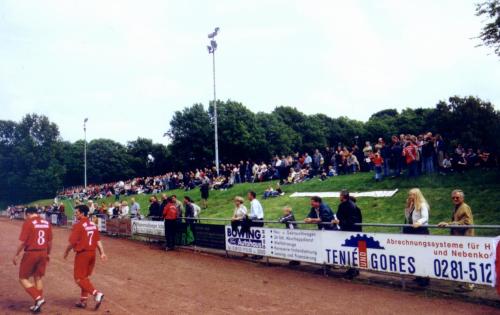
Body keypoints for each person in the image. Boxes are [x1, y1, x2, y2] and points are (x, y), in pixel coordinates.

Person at [63, 205, 106, 310]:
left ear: (82, 213)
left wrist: (66, 252)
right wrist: (102, 253)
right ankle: (83, 300)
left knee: (78, 278)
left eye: (77, 212)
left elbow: (72, 243)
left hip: (83, 254)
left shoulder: (79, 225)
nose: (75, 214)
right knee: (85, 277)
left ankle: (96, 294)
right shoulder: (92, 224)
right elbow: (97, 240)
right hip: (92, 253)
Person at [12, 206, 52, 313]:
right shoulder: (46, 223)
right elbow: (49, 242)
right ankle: (37, 305)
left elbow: (22, 242)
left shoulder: (28, 223)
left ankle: (38, 298)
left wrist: (16, 254)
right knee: (38, 277)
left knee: (23, 278)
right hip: (43, 252)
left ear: (28, 214)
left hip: (31, 253)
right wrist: (48, 253)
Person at [438, 189, 475, 292]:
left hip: (465, 239)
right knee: (462, 262)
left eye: (457, 197)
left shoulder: (465, 207)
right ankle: (465, 283)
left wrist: (448, 224)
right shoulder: (457, 207)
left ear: (462, 198)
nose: (455, 199)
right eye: (453, 197)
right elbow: (459, 221)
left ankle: (468, 285)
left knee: (466, 261)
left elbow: (467, 223)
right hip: (460, 240)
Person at [402, 188, 430, 287]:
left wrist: (419, 222)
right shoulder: (411, 206)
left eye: (412, 195)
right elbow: (407, 218)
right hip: (412, 231)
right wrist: (407, 207)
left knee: (422, 255)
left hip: (420, 231)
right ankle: (418, 275)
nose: (410, 197)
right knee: (414, 255)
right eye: (409, 195)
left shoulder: (422, 205)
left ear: (417, 195)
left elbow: (425, 217)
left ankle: (425, 278)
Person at [332, 190, 362, 278]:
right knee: (351, 251)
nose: (339, 197)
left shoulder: (350, 206)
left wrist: (340, 222)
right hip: (350, 230)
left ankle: (353, 270)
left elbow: (351, 220)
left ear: (343, 196)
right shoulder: (349, 205)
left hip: (350, 231)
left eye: (340, 195)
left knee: (352, 250)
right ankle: (353, 269)